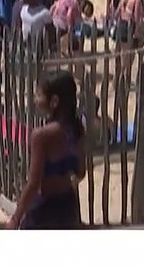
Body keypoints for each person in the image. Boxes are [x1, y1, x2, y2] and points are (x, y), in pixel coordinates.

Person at [8, 71, 86, 229]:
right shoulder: (76, 130)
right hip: (68, 207)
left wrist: (15, 218)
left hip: (45, 209)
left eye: (39, 95)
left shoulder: (41, 135)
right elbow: (80, 172)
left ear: (54, 101)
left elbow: (33, 184)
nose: (35, 99)